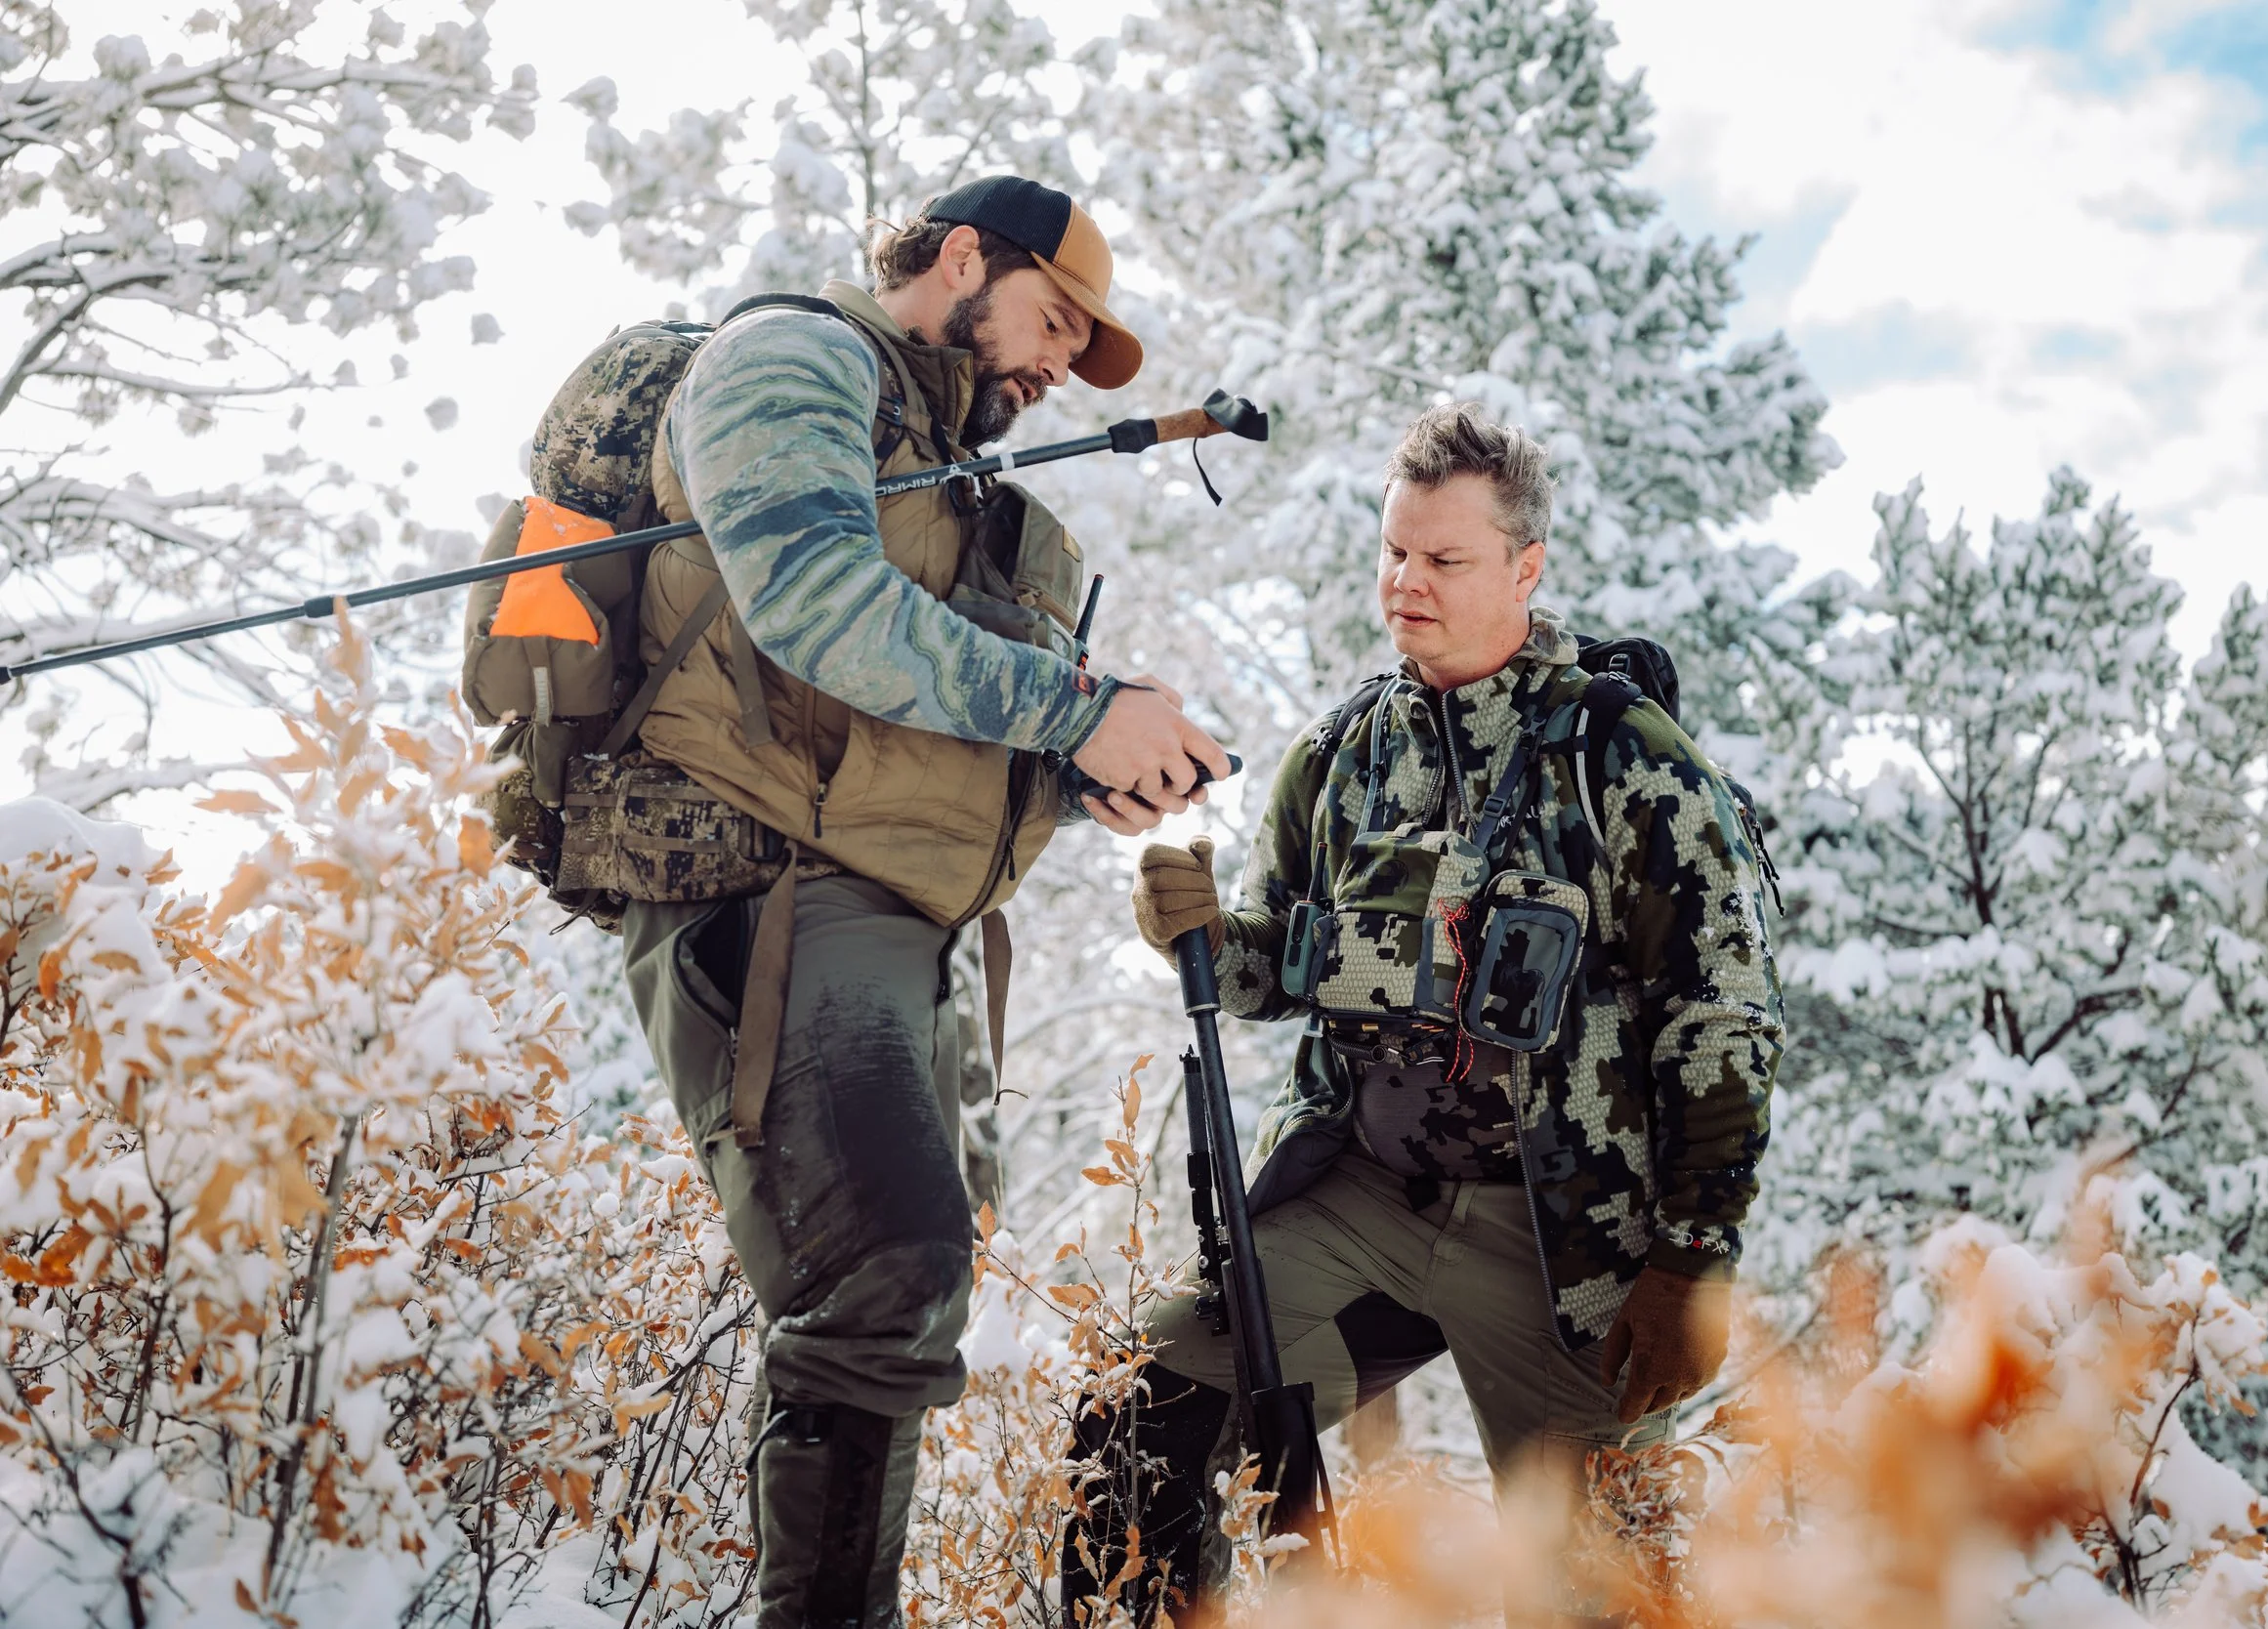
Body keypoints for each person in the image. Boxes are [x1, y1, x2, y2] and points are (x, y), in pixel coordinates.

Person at [620, 175, 1227, 1627]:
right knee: (885, 1270)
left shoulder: (948, 471)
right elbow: (814, 600)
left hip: (903, 933)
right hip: (775, 897)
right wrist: (1073, 709)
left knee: (902, 1288)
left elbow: (909, 734)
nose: (1061, 364)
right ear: (963, 256)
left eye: (1083, 348)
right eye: (1054, 319)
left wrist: (1088, 776)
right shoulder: (794, 357)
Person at [1076, 403, 1783, 1624]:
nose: (1407, 584)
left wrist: (1691, 1258)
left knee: (1598, 1589)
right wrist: (1200, 934)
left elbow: (1719, 1017)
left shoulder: (1622, 758)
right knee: (1135, 1415)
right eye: (1394, 551)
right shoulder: (1341, 753)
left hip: (1563, 1240)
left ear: (1525, 568)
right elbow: (1269, 969)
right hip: (1364, 1202)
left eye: (1445, 560)